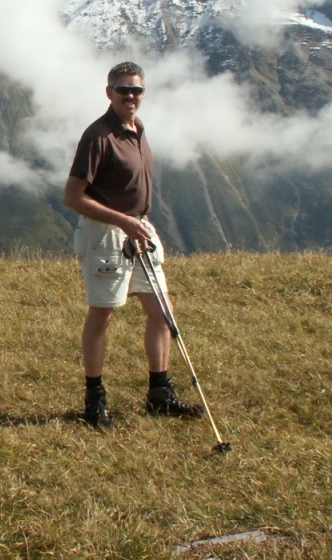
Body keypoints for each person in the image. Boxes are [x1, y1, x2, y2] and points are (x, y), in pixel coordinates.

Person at [63, 61, 204, 429]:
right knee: (103, 314)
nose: (130, 96)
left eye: (136, 90)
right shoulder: (98, 136)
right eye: (122, 89)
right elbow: (73, 196)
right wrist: (124, 220)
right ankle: (94, 403)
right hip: (106, 234)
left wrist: (136, 222)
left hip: (139, 230)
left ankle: (160, 393)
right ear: (108, 92)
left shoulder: (136, 128)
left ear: (143, 93)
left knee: (161, 311)